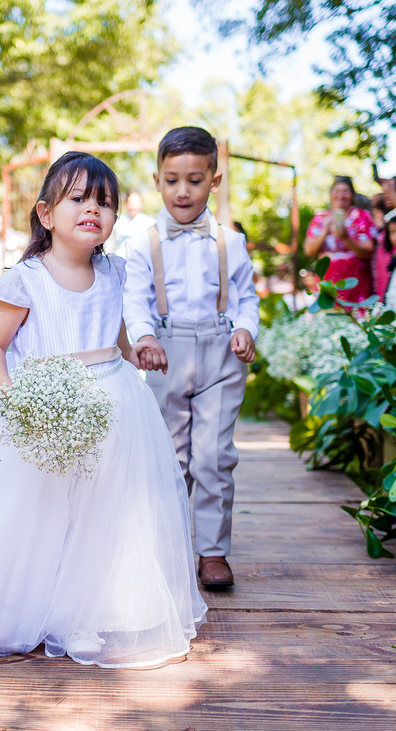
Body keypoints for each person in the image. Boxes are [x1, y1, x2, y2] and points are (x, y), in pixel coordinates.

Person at [0, 151, 206, 670]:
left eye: (105, 202)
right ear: (46, 214)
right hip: (41, 404)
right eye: (78, 198)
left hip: (111, 404)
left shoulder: (115, 272)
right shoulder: (27, 278)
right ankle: (17, 608)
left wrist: (142, 351)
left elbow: (115, 336)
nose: (94, 209)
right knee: (34, 511)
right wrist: (16, 401)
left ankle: (81, 614)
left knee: (102, 511)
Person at [124, 126, 260, 590]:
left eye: (195, 180)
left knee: (215, 456)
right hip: (166, 351)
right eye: (172, 180)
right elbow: (134, 300)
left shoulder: (231, 241)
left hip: (221, 352)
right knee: (171, 456)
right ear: (158, 179)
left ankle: (213, 552)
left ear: (214, 181)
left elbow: (247, 297)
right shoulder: (142, 242)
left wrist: (245, 328)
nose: (183, 191)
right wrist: (143, 337)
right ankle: (166, 546)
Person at [303, 176, 376, 304]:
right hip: (327, 281)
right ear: (331, 194)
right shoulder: (320, 218)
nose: (341, 195)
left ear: (352, 196)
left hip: (356, 281)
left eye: (345, 191)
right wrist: (325, 231)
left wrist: (345, 238)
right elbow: (309, 251)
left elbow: (369, 251)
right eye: (337, 191)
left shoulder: (361, 216)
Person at [112, 190, 154, 257]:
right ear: (126, 203)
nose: (134, 206)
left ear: (141, 204)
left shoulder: (150, 224)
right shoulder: (117, 221)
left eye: (136, 202)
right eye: (131, 202)